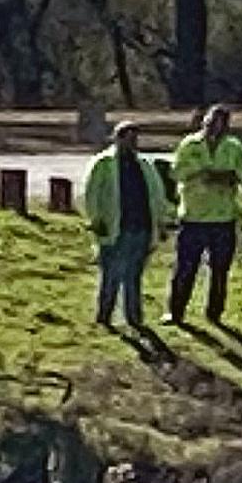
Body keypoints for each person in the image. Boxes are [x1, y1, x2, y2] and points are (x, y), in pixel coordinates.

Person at [164, 104, 242, 327]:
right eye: (210, 122)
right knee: (185, 268)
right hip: (194, 217)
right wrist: (201, 173)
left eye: (219, 124)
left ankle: (214, 314)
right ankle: (175, 312)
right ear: (204, 122)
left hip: (223, 218)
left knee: (220, 271)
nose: (214, 127)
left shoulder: (234, 147)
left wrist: (231, 176)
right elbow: (175, 172)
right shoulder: (189, 144)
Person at [81, 120, 168, 328]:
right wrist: (95, 220)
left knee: (134, 276)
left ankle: (134, 318)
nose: (131, 142)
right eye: (126, 137)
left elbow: (157, 195)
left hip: (141, 227)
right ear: (116, 138)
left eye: (134, 138)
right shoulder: (103, 163)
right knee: (111, 274)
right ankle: (104, 316)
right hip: (115, 227)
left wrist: (161, 222)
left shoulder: (145, 165)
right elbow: (91, 194)